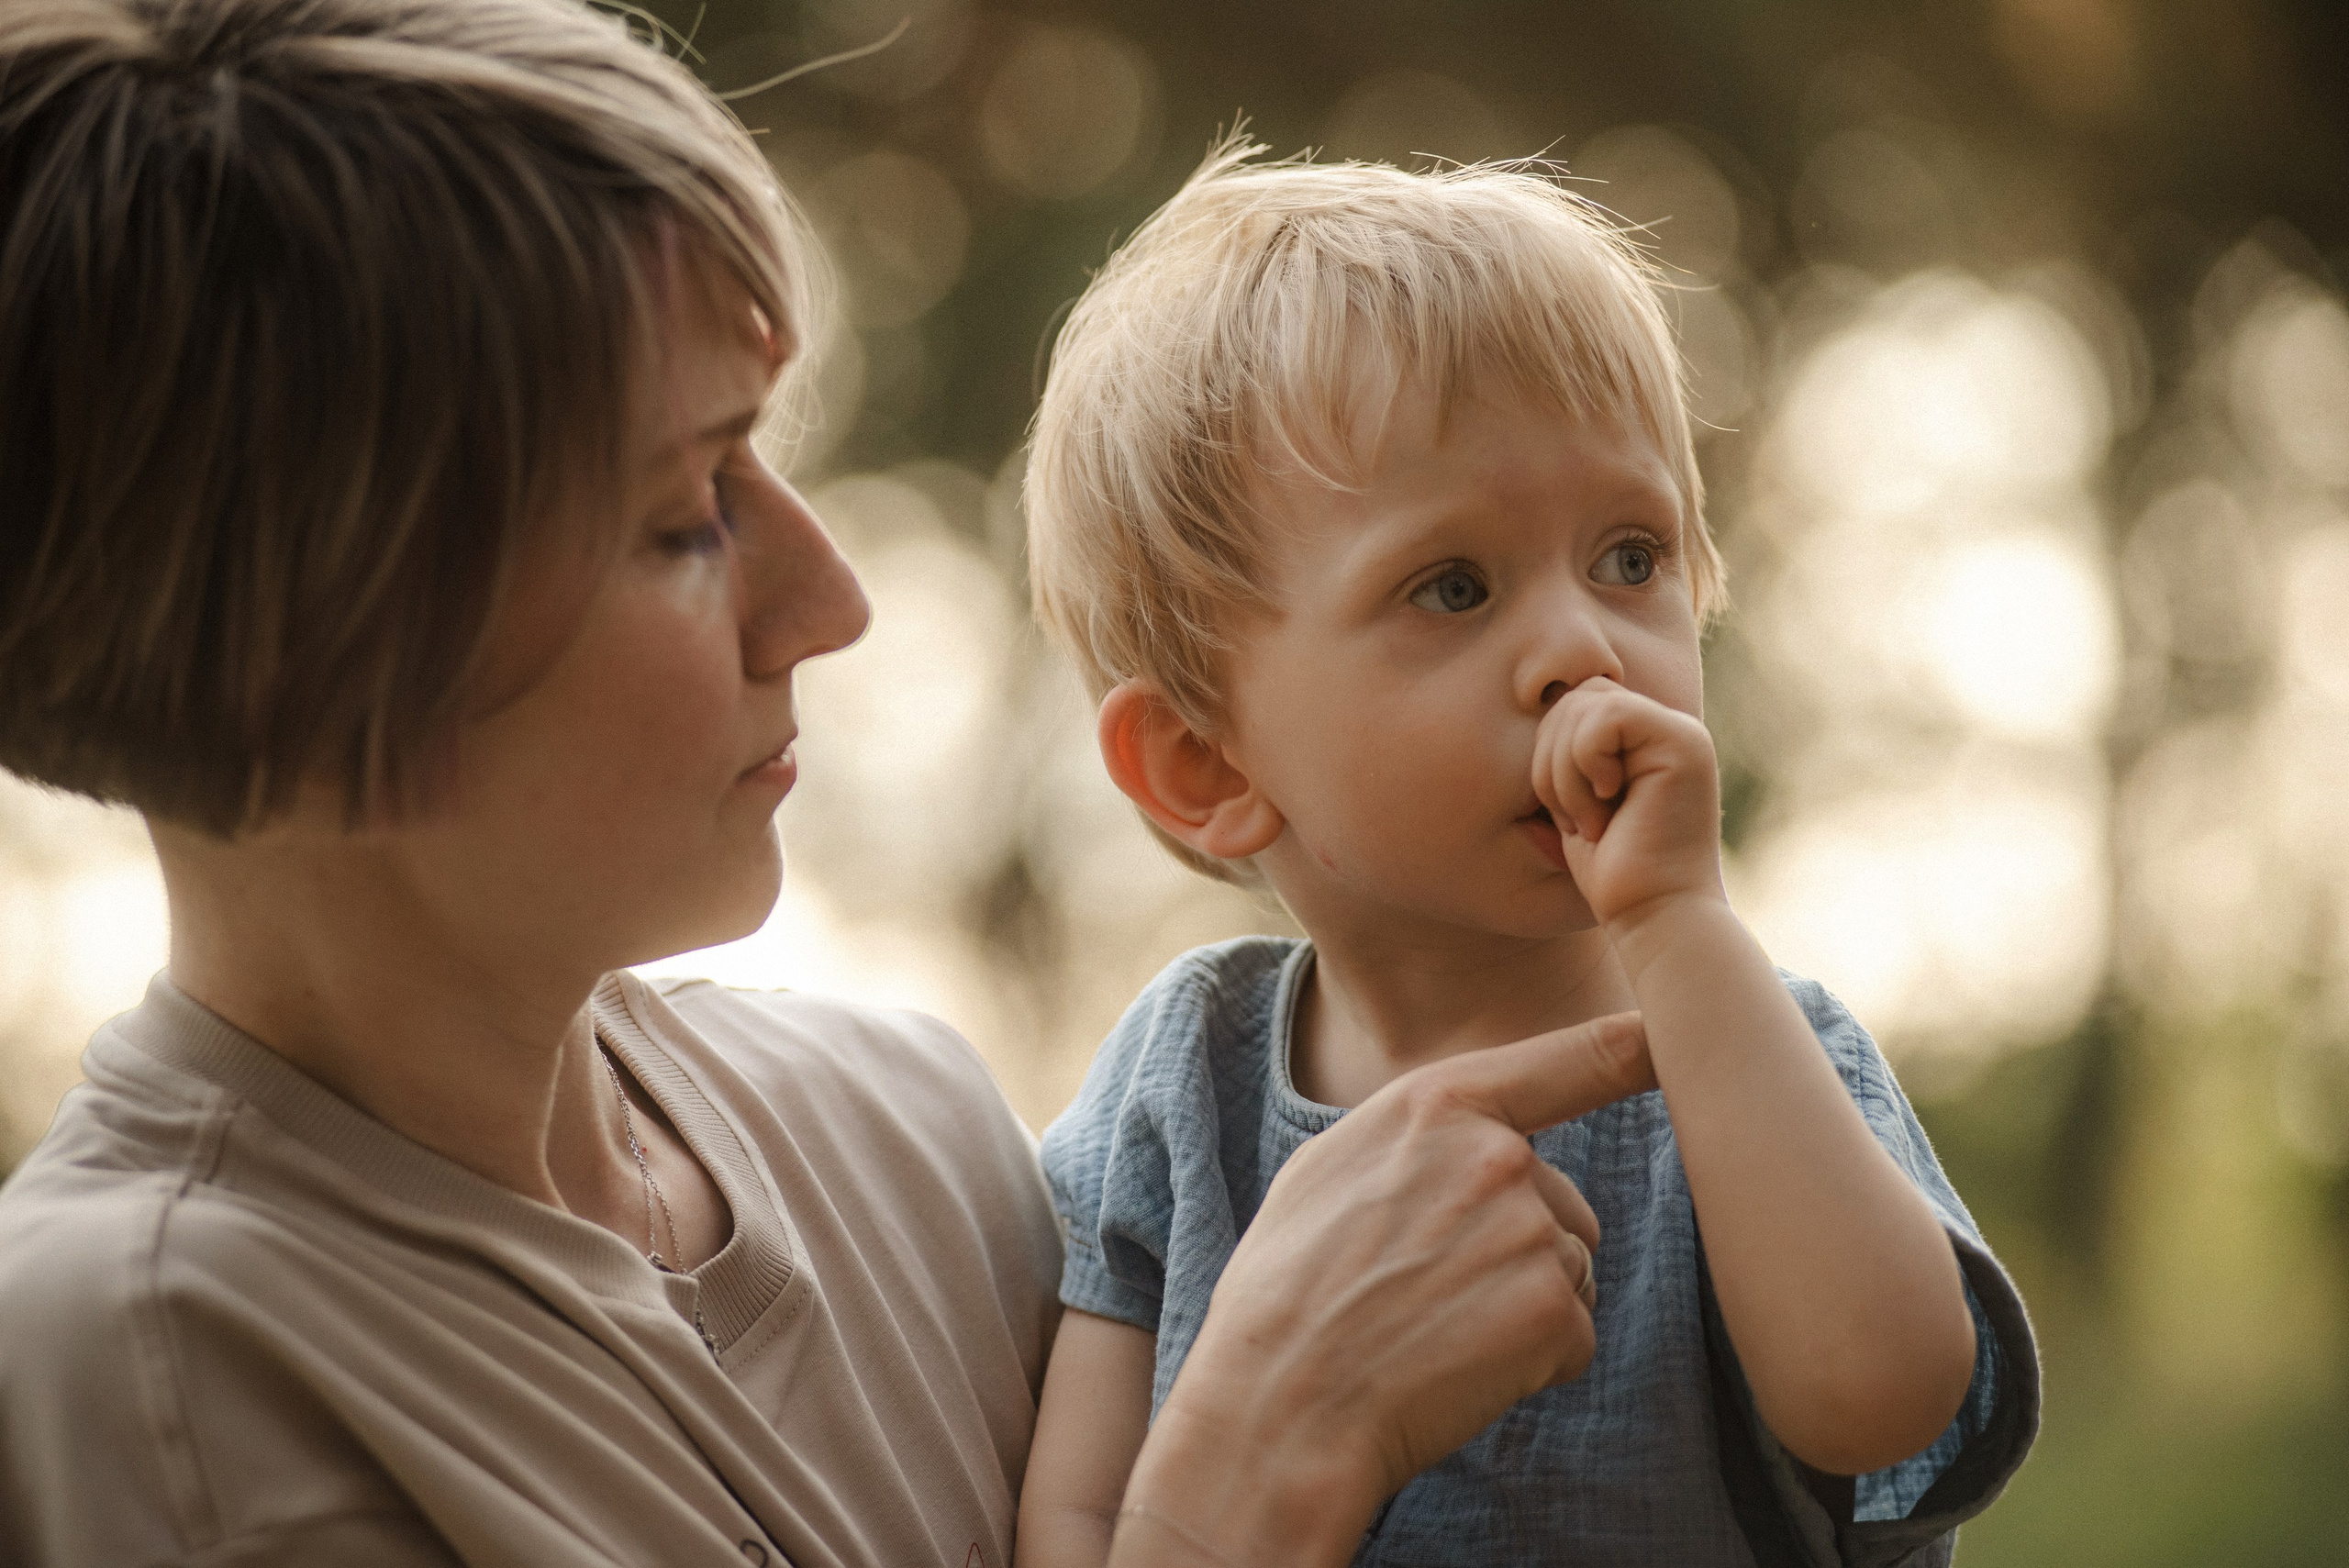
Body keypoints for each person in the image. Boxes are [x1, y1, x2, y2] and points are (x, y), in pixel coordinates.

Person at [0, 5, 1663, 1566]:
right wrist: (1257, 1472)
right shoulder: (147, 1367)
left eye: (760, 456)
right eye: (679, 519)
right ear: (306, 645)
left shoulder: (908, 1131)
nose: (831, 600)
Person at [1017, 145, 2043, 1568]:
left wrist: (1682, 924)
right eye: (1455, 585)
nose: (1581, 645)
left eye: (1632, 557)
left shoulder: (1754, 1055)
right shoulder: (1180, 1084)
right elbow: (1078, 1525)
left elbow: (1880, 1398)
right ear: (1210, 762)